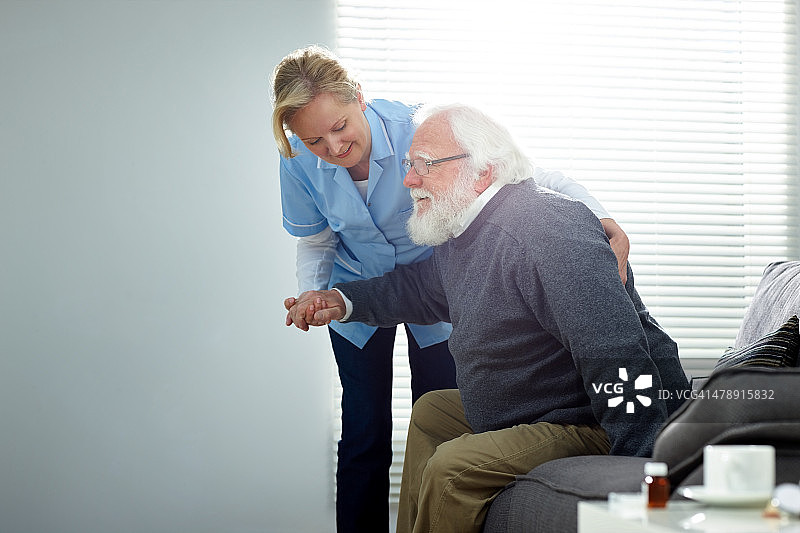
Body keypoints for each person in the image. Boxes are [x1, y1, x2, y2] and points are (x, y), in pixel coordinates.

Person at [271, 45, 632, 532]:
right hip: (364, 286)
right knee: (383, 425)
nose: (333, 148)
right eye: (315, 139)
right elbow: (338, 250)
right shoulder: (299, 162)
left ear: (358, 97)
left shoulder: (428, 134)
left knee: (446, 434)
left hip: (463, 305)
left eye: (340, 127)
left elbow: (520, 172)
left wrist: (605, 220)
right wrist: (325, 297)